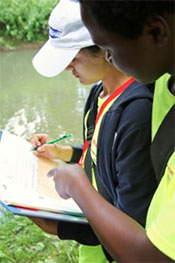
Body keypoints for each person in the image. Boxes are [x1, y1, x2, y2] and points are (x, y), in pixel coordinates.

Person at [46, 0, 175, 262]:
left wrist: (77, 187)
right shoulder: (161, 82)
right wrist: (68, 154)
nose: (110, 59)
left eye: (108, 47)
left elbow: (149, 254)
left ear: (156, 32)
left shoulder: (137, 108)